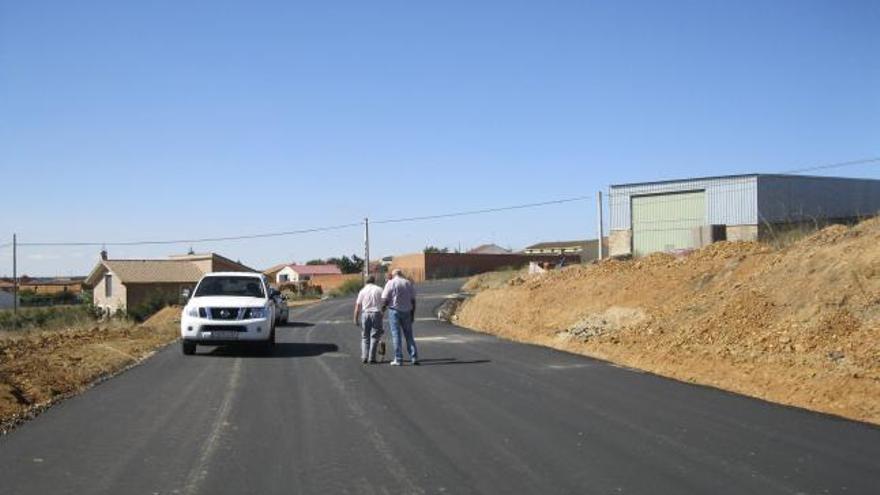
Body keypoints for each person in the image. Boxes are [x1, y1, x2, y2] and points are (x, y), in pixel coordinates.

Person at [381, 269, 418, 366]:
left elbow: (385, 299)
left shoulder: (391, 283)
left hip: (394, 311)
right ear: (401, 274)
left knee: (396, 335)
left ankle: (398, 359)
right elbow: (413, 300)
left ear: (393, 275)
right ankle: (414, 357)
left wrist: (382, 310)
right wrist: (412, 314)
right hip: (407, 311)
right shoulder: (408, 283)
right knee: (409, 335)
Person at [353, 275, 384, 364]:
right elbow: (384, 302)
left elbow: (358, 305)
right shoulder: (379, 289)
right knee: (374, 336)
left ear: (366, 282)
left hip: (365, 314)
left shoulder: (362, 291)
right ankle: (371, 357)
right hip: (376, 313)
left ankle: (364, 356)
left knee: (365, 336)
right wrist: (382, 312)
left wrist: (355, 318)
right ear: (374, 281)